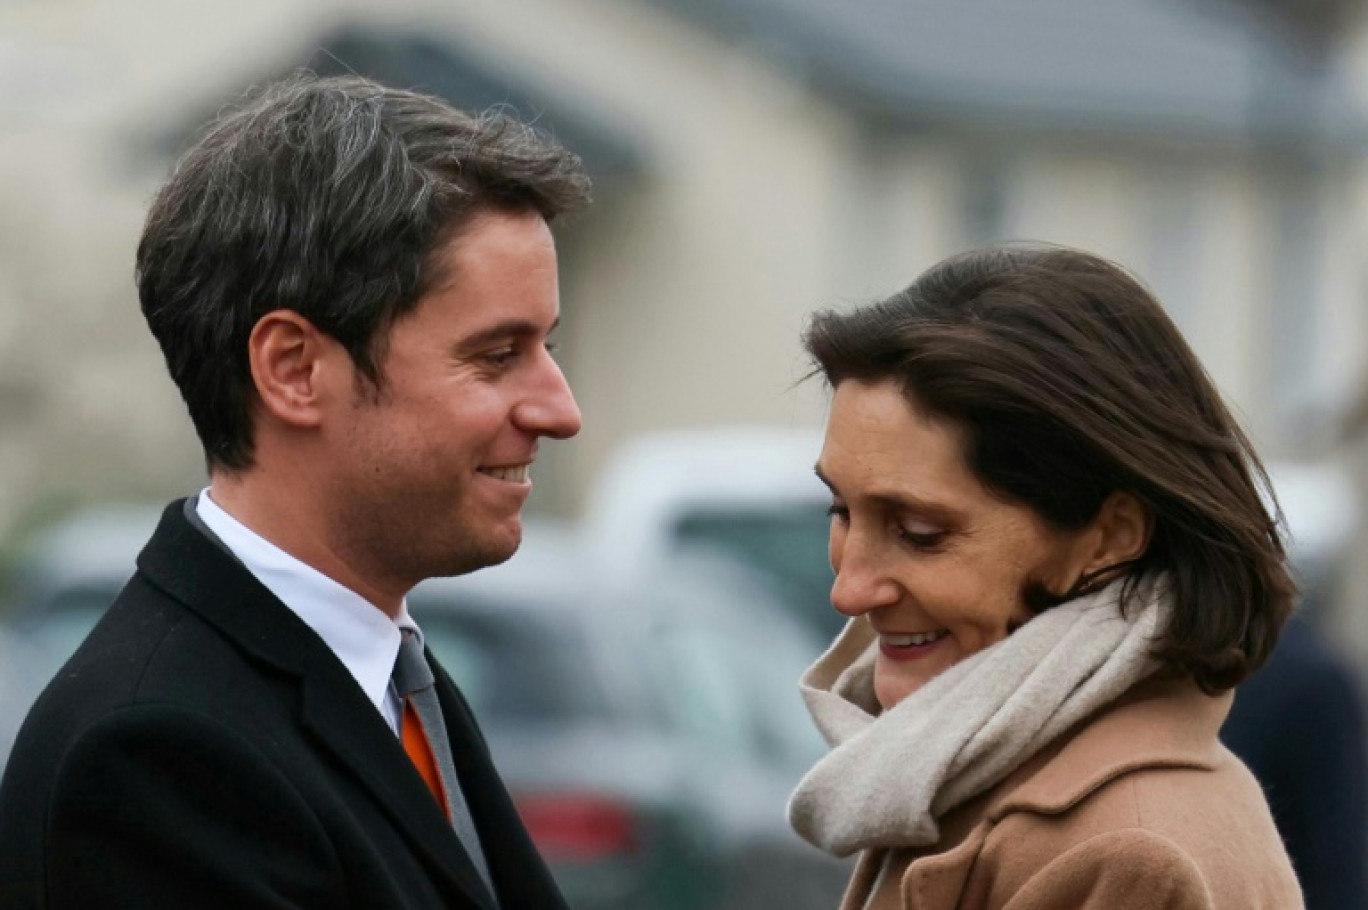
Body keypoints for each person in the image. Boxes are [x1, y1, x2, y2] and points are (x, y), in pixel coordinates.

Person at [0, 73, 588, 909]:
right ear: (294, 370)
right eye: (497, 355)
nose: (559, 410)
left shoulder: (382, 677)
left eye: (549, 347)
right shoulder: (159, 757)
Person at [787, 246, 1304, 909]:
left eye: (919, 533)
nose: (849, 591)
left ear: (1109, 538)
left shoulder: (1124, 853)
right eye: (841, 511)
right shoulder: (985, 780)